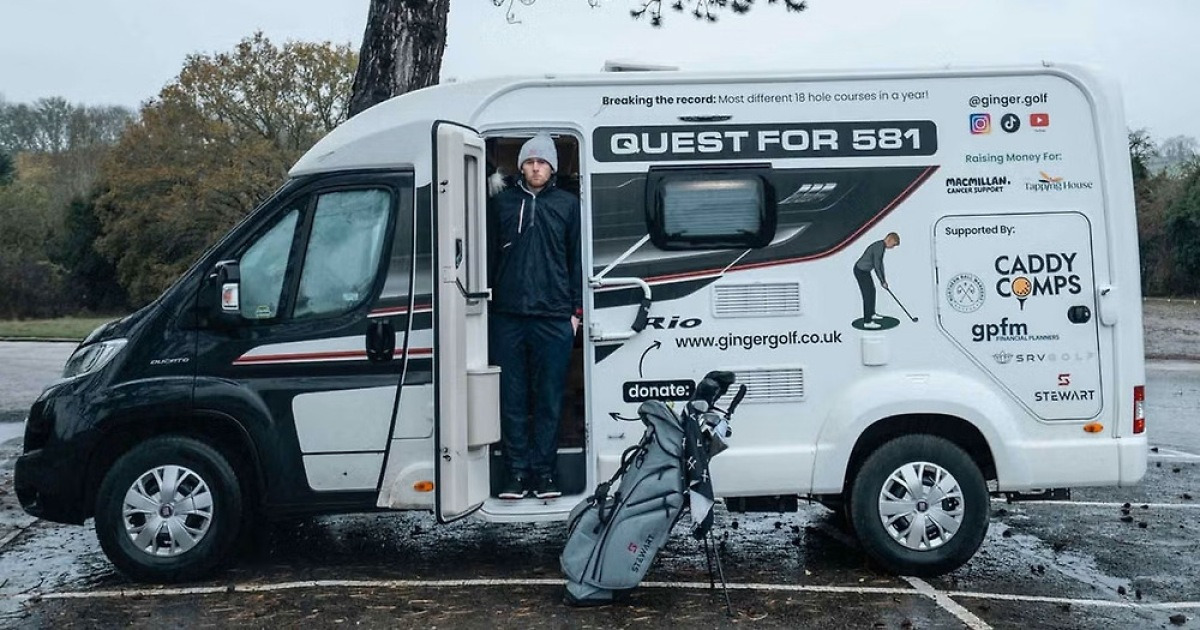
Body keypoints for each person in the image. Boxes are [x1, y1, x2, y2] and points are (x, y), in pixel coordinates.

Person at [487, 133, 582, 500]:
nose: (536, 167)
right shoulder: (502, 205)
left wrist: (574, 312)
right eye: (530, 161)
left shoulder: (568, 205)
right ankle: (515, 474)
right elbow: (488, 256)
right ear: (521, 166)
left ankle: (545, 475)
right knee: (512, 399)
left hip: (554, 317)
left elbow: (576, 260)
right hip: (508, 316)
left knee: (548, 399)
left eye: (542, 162)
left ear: (552, 167)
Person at [853, 232, 900, 330]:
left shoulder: (881, 246)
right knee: (867, 295)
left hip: (865, 271)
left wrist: (883, 280)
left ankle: (872, 313)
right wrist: (882, 281)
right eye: (894, 244)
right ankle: (867, 321)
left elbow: (880, 265)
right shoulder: (879, 247)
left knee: (872, 291)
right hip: (861, 271)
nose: (893, 247)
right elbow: (877, 265)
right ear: (889, 239)